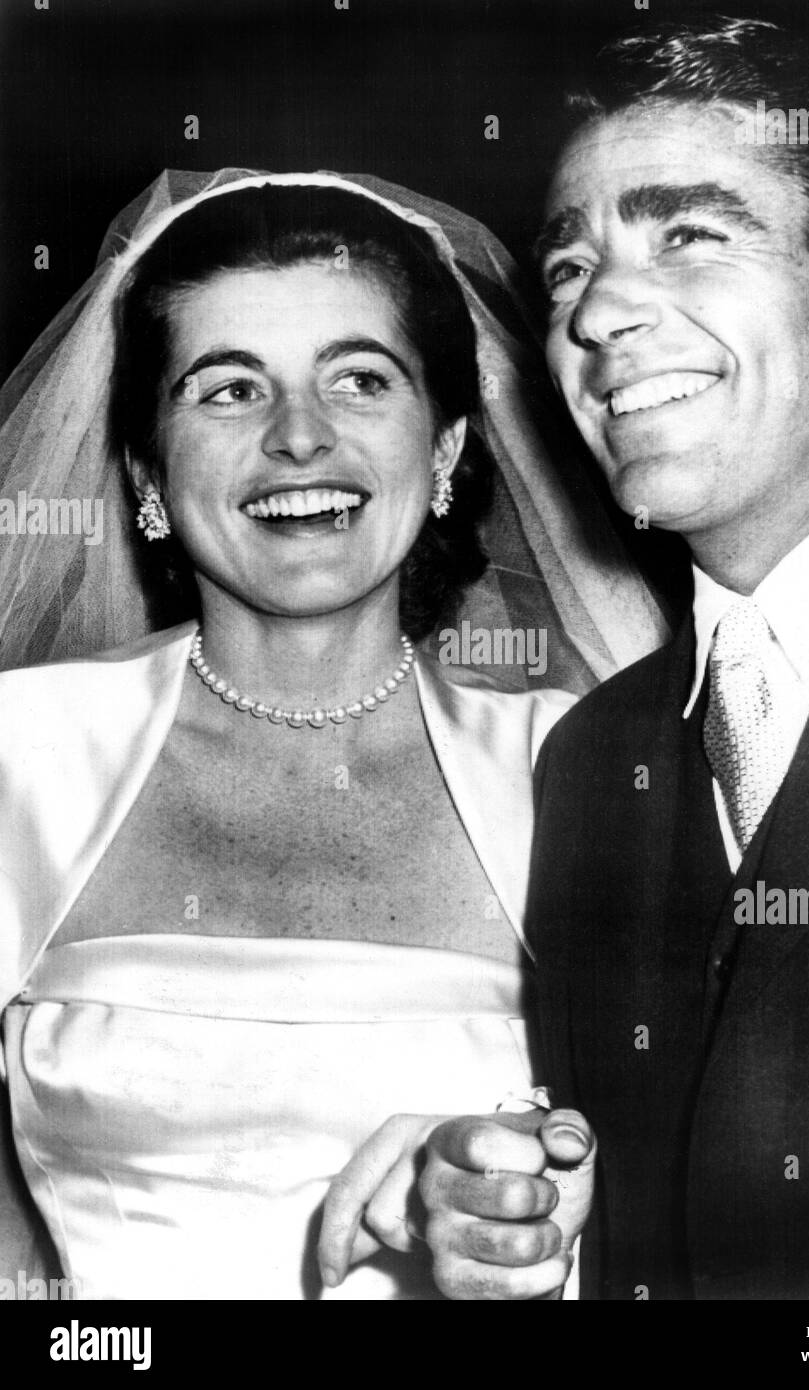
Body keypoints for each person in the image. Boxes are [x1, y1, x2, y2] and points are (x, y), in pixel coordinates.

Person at [0, 170, 662, 1300]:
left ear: (447, 448)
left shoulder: (588, 768)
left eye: (359, 379)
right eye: (226, 391)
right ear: (147, 473)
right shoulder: (20, 753)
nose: (297, 438)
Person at [405, 17, 809, 1299]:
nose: (597, 311)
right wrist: (524, 1238)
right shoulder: (589, 755)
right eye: (564, 271)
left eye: (690, 236)